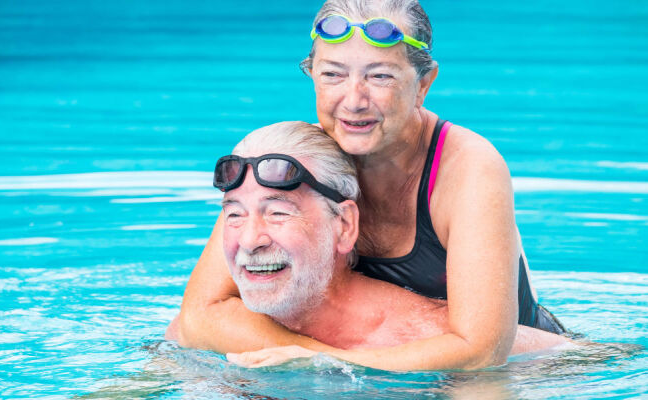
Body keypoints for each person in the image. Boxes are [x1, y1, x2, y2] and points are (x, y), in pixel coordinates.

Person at [173, 0, 568, 370]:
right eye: (333, 75)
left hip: (519, 368)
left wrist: (328, 364)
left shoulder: (467, 168)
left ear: (424, 83)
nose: (354, 101)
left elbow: (481, 351)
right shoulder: (303, 159)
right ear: (312, 75)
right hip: (369, 353)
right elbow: (199, 313)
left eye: (379, 76)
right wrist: (311, 358)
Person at [167, 121, 570, 370]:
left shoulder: (418, 336)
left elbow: (564, 358)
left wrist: (323, 361)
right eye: (234, 214)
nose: (250, 241)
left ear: (344, 226)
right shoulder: (202, 333)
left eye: (277, 213)